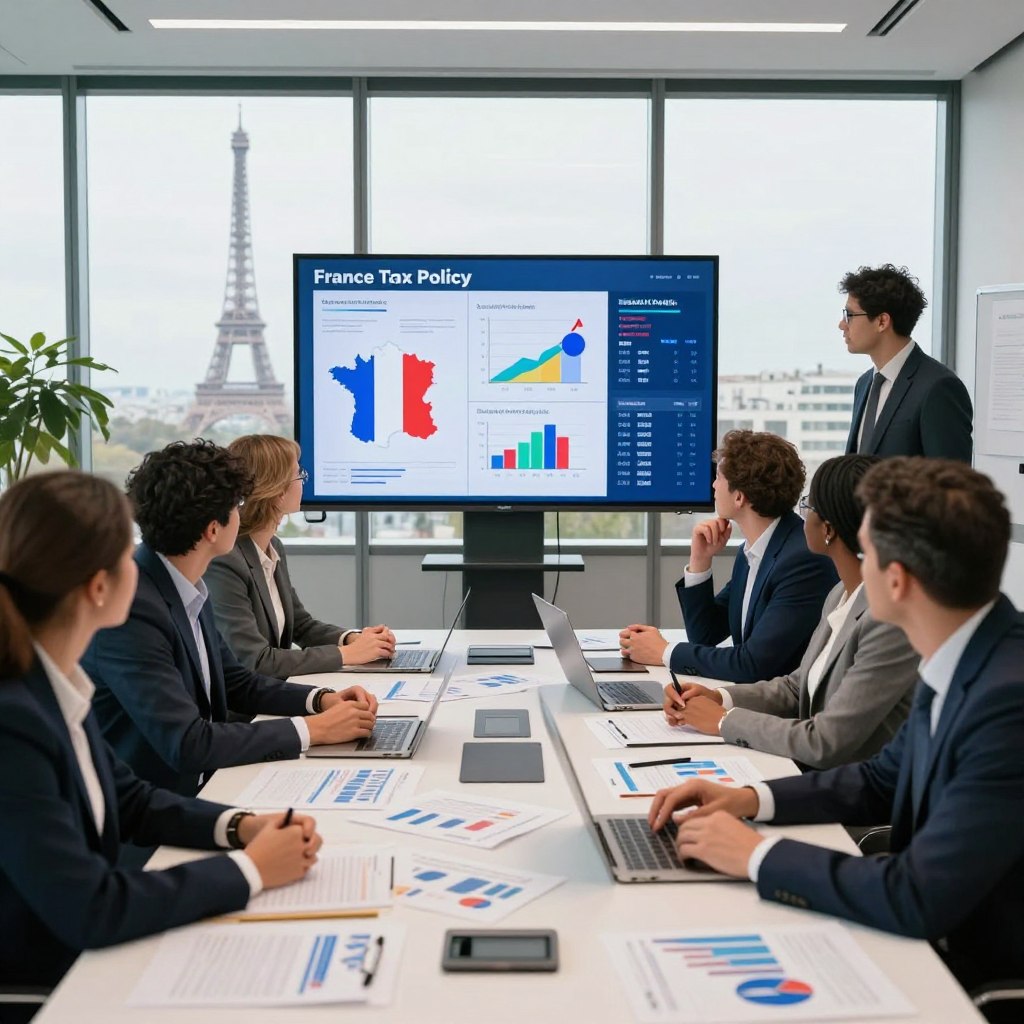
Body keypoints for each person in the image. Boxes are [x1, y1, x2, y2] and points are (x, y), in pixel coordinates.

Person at [648, 458, 1024, 994]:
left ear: (895, 581)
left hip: (963, 969)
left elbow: (918, 896)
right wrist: (748, 799)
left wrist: (753, 853)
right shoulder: (962, 654)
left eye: (866, 553)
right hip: (925, 931)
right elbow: (877, 781)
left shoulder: (1005, 701)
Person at [0, 471, 324, 1000]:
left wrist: (239, 825)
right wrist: (250, 870)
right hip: (50, 989)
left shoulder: (52, 685)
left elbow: (127, 798)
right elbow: (92, 906)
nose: (141, 563)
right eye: (127, 554)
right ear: (99, 587)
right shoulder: (13, 720)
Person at [85, 440, 380, 799]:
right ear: (213, 530)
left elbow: (238, 681)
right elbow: (188, 742)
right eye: (237, 504)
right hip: (151, 819)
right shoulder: (131, 608)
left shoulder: (182, 583)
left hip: (200, 789)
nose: (243, 514)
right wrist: (313, 730)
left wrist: (321, 700)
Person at [661, 454, 918, 769]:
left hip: (851, 795)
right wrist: (721, 698)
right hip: (813, 773)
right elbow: (798, 686)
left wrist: (725, 721)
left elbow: (825, 741)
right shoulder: (842, 593)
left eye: (808, 504)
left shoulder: (888, 620)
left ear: (829, 529)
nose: (800, 514)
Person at [620, 430, 837, 683]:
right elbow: (706, 635)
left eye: (719, 478)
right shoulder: (756, 549)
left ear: (739, 496)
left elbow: (753, 664)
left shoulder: (803, 559)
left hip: (782, 712)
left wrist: (664, 651)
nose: (713, 485)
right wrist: (700, 562)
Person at [204, 434, 395, 677]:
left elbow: (301, 626)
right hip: (246, 711)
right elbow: (255, 661)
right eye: (299, 475)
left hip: (275, 695)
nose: (304, 481)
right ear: (278, 491)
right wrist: (347, 655)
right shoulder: (226, 561)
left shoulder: (271, 546)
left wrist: (353, 639)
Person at [840, 264, 972, 461]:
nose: (842, 324)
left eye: (849, 315)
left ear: (882, 322)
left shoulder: (938, 387)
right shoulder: (865, 383)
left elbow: (952, 483)